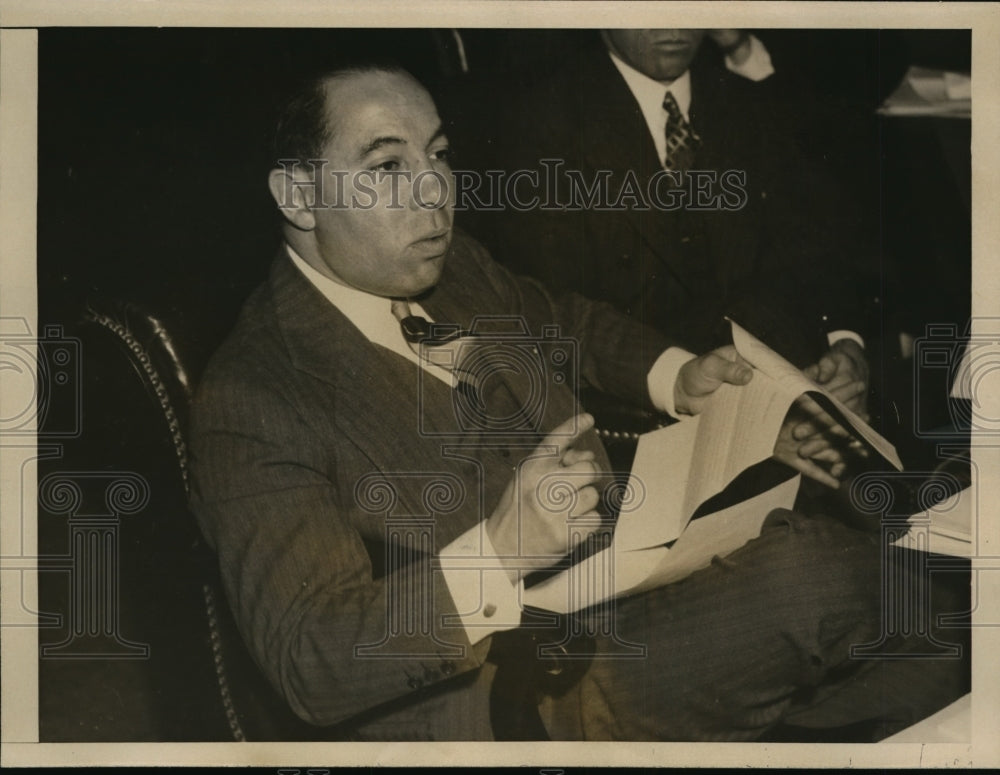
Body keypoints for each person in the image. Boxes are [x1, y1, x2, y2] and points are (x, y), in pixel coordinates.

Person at [188, 63, 968, 742]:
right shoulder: (252, 395)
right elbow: (309, 656)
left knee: (876, 601)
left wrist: (678, 373)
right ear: (298, 193)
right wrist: (498, 551)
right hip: (514, 688)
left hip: (622, 570)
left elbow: (561, 318)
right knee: (819, 578)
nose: (434, 194)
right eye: (387, 167)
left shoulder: (450, 267)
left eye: (440, 155)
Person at [468, 29, 875, 424]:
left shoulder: (752, 103)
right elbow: (557, 324)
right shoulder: (534, 122)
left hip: (789, 394)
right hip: (642, 415)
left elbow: (814, 248)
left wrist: (842, 344)